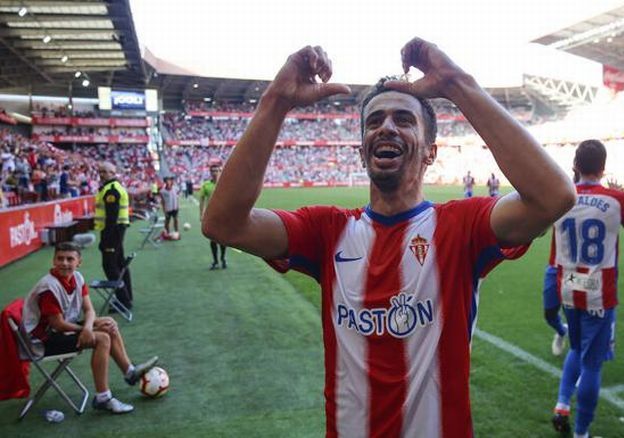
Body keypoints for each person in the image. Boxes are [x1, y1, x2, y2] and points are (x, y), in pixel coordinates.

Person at [202, 38, 575, 436]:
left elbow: (554, 197)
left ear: (430, 152)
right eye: (375, 121)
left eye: (404, 119)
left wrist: (456, 83)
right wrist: (275, 100)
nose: (387, 128)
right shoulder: (326, 232)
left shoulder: (460, 227)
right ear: (362, 152)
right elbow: (223, 223)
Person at [550, 139, 624, 438]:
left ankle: (563, 403)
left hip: (568, 285)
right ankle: (581, 433)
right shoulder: (617, 199)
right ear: (603, 168)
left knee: (576, 348)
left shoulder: (562, 197)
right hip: (600, 290)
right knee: (592, 363)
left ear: (575, 166)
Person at [22, 242, 158, 413]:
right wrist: (86, 330)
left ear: (79, 262)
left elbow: (89, 310)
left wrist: (88, 327)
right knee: (102, 338)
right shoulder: (49, 287)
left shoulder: (77, 278)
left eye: (69, 259)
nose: (64, 263)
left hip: (59, 329)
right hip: (42, 341)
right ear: (53, 261)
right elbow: (58, 324)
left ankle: (130, 372)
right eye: (60, 259)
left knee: (108, 323)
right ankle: (103, 398)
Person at [95, 162, 133, 310]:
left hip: (112, 230)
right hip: (117, 230)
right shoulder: (112, 187)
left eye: (105, 172)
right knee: (120, 264)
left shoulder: (111, 189)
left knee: (110, 266)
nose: (101, 174)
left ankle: (123, 301)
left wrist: (105, 239)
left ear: (113, 173)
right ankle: (126, 297)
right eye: (100, 171)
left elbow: (112, 216)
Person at [199, 165, 227, 270]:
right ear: (210, 173)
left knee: (223, 240)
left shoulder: (225, 184)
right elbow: (201, 199)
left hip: (223, 215)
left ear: (220, 172)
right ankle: (215, 261)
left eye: (217, 171)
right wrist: (201, 214)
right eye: (213, 171)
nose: (215, 173)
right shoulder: (206, 185)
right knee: (213, 240)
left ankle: (223, 258)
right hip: (211, 216)